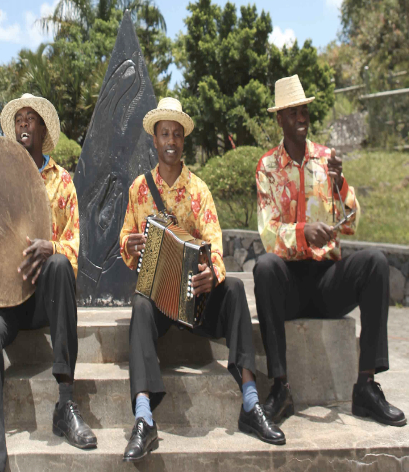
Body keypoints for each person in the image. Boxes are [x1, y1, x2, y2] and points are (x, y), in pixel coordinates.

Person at [118, 97, 285, 462]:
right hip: (160, 301)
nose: (171, 140)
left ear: (183, 140)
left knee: (237, 288)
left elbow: (215, 244)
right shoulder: (139, 190)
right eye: (165, 133)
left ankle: (251, 403)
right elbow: (126, 243)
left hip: (197, 298)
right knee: (140, 303)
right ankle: (144, 417)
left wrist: (213, 273)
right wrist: (130, 243)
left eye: (177, 134)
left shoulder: (199, 189)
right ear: (155, 139)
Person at [0, 94, 97, 472]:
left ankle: (65, 402)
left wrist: (51, 247)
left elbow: (76, 249)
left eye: (31, 119)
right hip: (4, 299)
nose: (24, 124)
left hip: (44, 297)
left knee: (59, 265)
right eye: (20, 120)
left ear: (43, 131)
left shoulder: (62, 183)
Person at [254, 75, 406, 427]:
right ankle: (280, 387)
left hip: (327, 282)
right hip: (289, 283)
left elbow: (351, 223)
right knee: (264, 267)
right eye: (293, 112)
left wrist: (341, 185)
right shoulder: (267, 167)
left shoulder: (326, 160)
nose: (302, 117)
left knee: (375, 262)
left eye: (304, 110)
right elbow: (268, 234)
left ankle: (366, 387)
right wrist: (304, 232)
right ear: (280, 118)